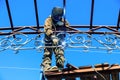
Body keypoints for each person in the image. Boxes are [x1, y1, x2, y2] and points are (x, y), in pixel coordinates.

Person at [41, 6, 69, 71]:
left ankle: (60, 67)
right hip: (49, 40)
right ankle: (47, 67)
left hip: (59, 40)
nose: (57, 18)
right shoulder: (49, 19)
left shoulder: (63, 20)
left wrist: (62, 25)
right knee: (47, 53)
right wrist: (52, 36)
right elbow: (47, 28)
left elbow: (68, 27)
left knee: (60, 53)